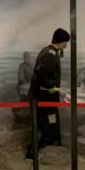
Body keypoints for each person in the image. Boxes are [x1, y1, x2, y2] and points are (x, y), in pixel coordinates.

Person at [28, 29, 70, 159]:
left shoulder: (47, 51)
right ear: (62, 42)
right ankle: (36, 153)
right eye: (66, 42)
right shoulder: (49, 54)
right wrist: (54, 88)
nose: (66, 45)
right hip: (44, 97)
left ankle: (42, 151)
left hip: (45, 96)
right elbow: (42, 75)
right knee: (47, 123)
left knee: (48, 123)